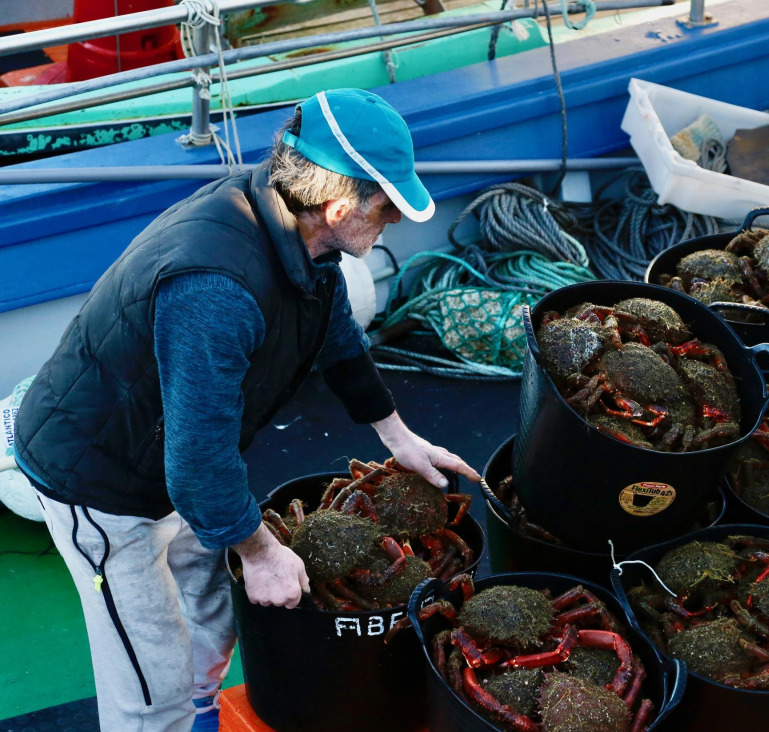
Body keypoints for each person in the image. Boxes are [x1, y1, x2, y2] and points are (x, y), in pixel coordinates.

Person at [12, 88, 481, 732]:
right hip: (101, 477)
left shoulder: (297, 230)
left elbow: (336, 336)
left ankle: (200, 709)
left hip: (176, 452)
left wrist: (398, 437)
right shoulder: (216, 284)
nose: (393, 221)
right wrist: (260, 553)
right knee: (151, 677)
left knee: (212, 606)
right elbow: (199, 462)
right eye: (388, 208)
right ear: (339, 204)